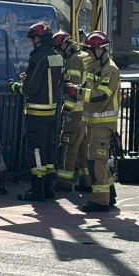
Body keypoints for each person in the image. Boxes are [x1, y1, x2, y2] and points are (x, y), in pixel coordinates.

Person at [10, 21, 62, 201]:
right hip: (52, 112)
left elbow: (29, 88)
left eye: (33, 38)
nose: (32, 42)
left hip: (36, 113)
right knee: (48, 149)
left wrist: (15, 86)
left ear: (39, 39)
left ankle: (37, 189)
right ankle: (49, 187)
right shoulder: (56, 57)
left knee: (36, 151)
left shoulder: (37, 58)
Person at [72, 31, 119, 212]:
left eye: (91, 50)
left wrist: (77, 92)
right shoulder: (93, 67)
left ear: (101, 50)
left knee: (97, 161)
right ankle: (109, 194)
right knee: (97, 160)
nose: (88, 54)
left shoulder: (110, 70)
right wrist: (77, 88)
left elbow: (101, 96)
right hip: (93, 122)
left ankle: (100, 201)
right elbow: (88, 88)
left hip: (103, 124)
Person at [53, 31, 87, 191]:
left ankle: (63, 181)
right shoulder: (84, 57)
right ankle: (86, 180)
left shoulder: (73, 61)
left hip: (75, 113)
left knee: (69, 146)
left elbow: (72, 90)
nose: (59, 54)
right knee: (83, 148)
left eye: (58, 50)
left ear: (64, 46)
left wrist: (66, 111)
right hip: (87, 112)